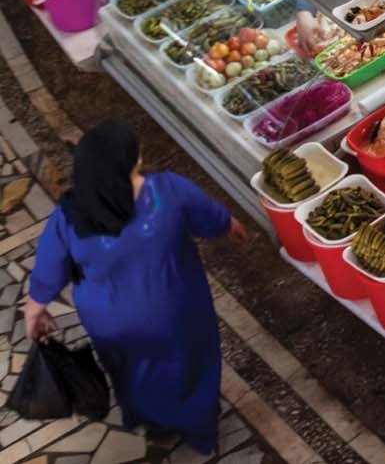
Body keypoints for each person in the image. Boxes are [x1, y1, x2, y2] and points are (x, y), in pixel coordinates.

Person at [25, 123, 243, 457]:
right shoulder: (168, 191)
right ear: (134, 162)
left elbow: (47, 273)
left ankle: (157, 425)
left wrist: (34, 311)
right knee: (192, 369)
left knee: (134, 374)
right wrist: (234, 228)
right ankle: (199, 431)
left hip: (111, 324)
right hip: (176, 313)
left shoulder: (67, 215)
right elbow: (214, 220)